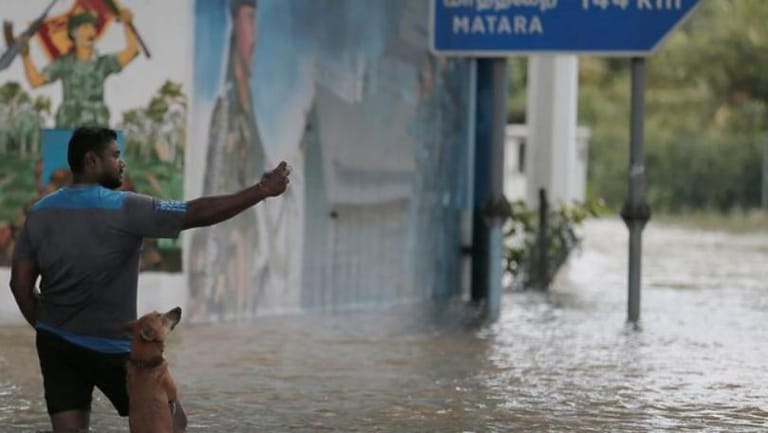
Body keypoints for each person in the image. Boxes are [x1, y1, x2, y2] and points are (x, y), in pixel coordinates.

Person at [9, 126, 291, 432]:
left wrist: (49, 328)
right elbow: (195, 212)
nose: (122, 163)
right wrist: (260, 191)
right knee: (174, 422)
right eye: (115, 156)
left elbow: (20, 285)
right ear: (91, 161)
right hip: (115, 351)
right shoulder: (126, 207)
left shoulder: (39, 212)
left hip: (56, 344)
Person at [19, 8, 139, 127]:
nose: (91, 32)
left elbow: (131, 51)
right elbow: (35, 81)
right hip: (69, 125)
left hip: (97, 126)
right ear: (73, 33)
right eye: (85, 28)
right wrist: (26, 56)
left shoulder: (103, 63)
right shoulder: (64, 63)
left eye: (93, 28)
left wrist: (127, 24)